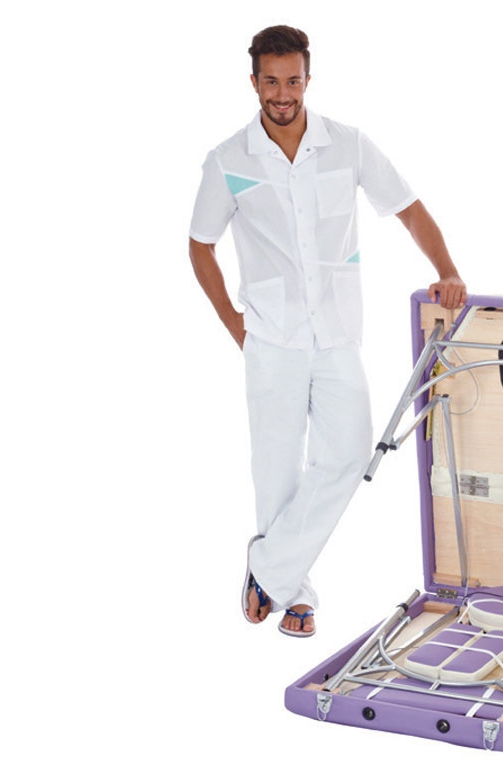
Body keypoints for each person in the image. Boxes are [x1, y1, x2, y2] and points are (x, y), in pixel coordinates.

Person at [188, 25, 466, 636]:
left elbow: (409, 209)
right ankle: (296, 595)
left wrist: (446, 270)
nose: (282, 94)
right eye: (271, 81)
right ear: (253, 82)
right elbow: (200, 245)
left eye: (292, 81)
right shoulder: (228, 160)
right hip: (271, 337)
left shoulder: (348, 145)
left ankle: (267, 569)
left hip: (338, 333)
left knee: (348, 454)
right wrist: (234, 323)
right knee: (277, 470)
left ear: (307, 79)